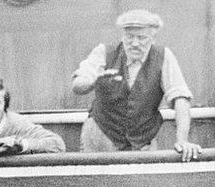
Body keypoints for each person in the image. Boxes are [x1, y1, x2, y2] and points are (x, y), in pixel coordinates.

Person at [72, 9, 202, 161]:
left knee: (142, 184)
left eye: (141, 38)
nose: (134, 43)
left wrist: (182, 140)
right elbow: (77, 85)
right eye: (129, 37)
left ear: (152, 38)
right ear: (122, 36)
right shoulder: (104, 52)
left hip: (142, 140)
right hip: (101, 136)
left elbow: (181, 100)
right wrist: (92, 81)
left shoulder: (163, 57)